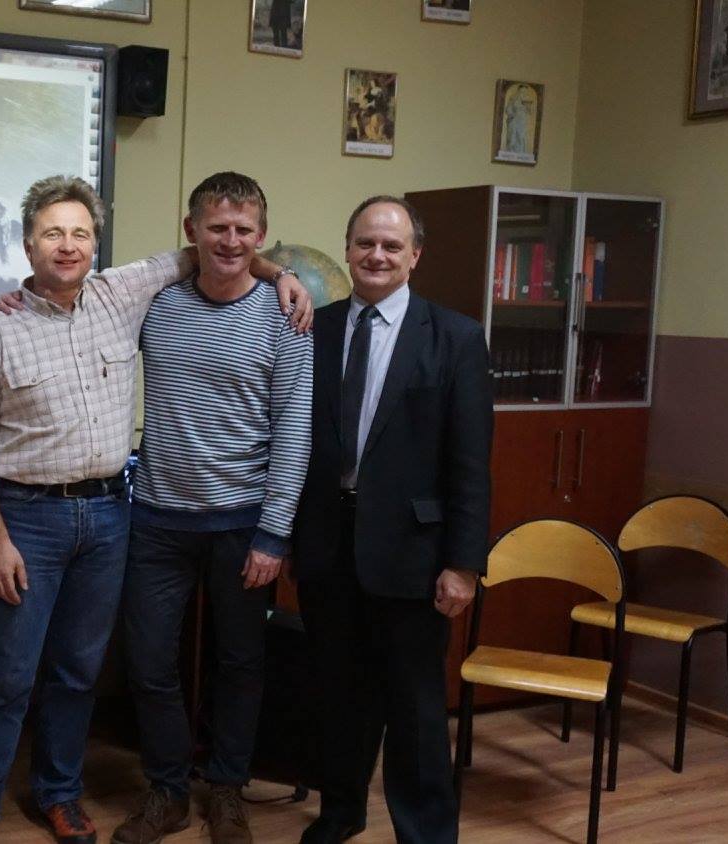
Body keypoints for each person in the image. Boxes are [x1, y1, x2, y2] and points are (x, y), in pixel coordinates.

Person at [0, 175, 311, 844]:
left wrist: (280, 272)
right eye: (53, 233)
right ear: (28, 245)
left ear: (95, 244)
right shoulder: (20, 328)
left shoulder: (143, 298)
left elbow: (217, 258)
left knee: (95, 671)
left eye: (80, 233)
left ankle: (95, 794)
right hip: (80, 521)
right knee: (23, 675)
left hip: (146, 516)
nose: (68, 245)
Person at [112, 172, 312, 844]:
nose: (230, 241)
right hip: (157, 519)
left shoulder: (286, 317)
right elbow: (81, 304)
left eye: (243, 231)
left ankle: (227, 790)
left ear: (261, 236)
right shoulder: (156, 305)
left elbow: (294, 429)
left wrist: (274, 533)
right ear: (191, 230)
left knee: (241, 663)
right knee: (148, 662)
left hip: (243, 524)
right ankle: (167, 792)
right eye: (217, 227)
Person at [291, 196, 493, 844]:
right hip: (328, 547)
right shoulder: (314, 328)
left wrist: (464, 564)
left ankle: (426, 833)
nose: (376, 255)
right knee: (338, 696)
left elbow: (470, 464)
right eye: (365, 243)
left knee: (415, 709)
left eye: (391, 246)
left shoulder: (455, 338)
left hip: (414, 555)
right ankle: (341, 812)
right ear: (348, 249)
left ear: (415, 256)